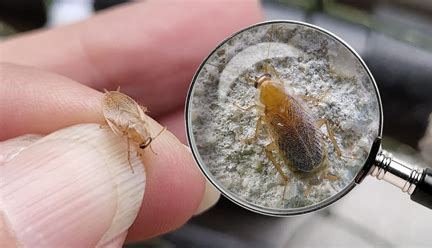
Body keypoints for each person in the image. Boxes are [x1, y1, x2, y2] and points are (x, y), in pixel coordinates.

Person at [0, 1, 262, 246]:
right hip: (119, 115)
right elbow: (123, 132)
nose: (146, 143)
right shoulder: (133, 134)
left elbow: (137, 130)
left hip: (124, 115)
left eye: (146, 142)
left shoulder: (141, 131)